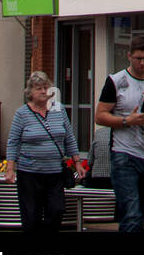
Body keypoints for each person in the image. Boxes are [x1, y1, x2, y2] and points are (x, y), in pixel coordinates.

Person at [95, 34, 144, 233]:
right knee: (131, 216)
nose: (142, 62)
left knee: (142, 216)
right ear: (129, 56)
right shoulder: (116, 81)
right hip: (124, 156)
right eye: (138, 58)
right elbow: (100, 116)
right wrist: (126, 120)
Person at [5, 71, 85, 233]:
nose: (43, 91)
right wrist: (10, 168)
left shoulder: (59, 110)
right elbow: (13, 142)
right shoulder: (22, 114)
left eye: (45, 87)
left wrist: (77, 162)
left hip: (54, 173)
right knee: (31, 217)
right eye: (38, 88)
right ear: (30, 93)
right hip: (29, 174)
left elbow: (69, 137)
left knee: (56, 211)